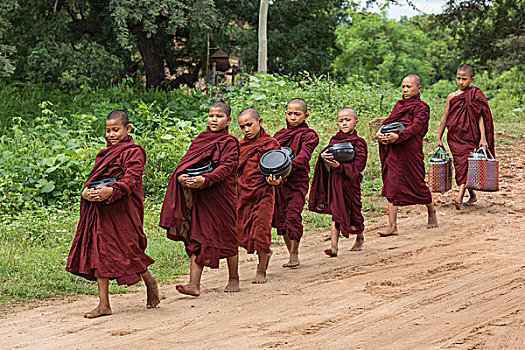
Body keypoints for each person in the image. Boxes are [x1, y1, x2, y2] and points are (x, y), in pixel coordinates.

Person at [66, 110, 160, 318]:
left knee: (129, 250)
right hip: (102, 208)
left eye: (116, 130)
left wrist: (113, 190)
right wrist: (87, 192)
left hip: (124, 209)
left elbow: (132, 178)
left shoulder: (134, 152)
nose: (111, 135)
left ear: (127, 129)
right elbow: (95, 178)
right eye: (108, 130)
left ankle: (150, 281)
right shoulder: (104, 154)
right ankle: (104, 304)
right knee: (100, 251)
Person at [159, 102, 240, 296]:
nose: (214, 119)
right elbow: (186, 163)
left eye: (219, 116)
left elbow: (227, 167)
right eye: (211, 116)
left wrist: (206, 179)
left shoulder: (230, 142)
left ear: (228, 121)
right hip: (200, 196)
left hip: (221, 196)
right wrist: (181, 177)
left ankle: (234, 277)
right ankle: (194, 284)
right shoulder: (200, 139)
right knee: (198, 237)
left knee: (228, 236)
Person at [376, 74, 438, 236]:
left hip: (410, 149)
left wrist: (399, 136)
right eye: (403, 86)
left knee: (418, 183)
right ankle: (392, 226)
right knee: (392, 184)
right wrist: (380, 133)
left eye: (408, 87)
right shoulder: (399, 105)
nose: (404, 90)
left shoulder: (422, 107)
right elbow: (389, 122)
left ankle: (431, 212)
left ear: (419, 89)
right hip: (395, 149)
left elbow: (416, 127)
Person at [309, 108, 368, 256]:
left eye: (348, 120)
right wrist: (324, 159)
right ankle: (334, 247)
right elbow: (327, 161)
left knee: (355, 212)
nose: (344, 123)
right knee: (336, 212)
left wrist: (341, 167)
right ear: (337, 124)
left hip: (351, 183)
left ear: (356, 122)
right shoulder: (334, 141)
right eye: (341, 121)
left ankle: (360, 237)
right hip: (336, 183)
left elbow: (360, 164)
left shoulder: (359, 142)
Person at [268, 98, 319, 267]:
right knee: (281, 217)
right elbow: (271, 156)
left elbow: (304, 156)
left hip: (297, 181)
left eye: (297, 114)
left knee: (293, 215)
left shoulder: (309, 135)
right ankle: (290, 251)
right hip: (280, 183)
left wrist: (288, 168)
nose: (292, 117)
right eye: (290, 113)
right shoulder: (279, 136)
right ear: (285, 114)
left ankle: (294, 253)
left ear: (306, 116)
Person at [436, 64, 495, 209]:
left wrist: (483, 138)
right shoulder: (452, 97)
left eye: (464, 79)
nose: (461, 82)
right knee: (460, 166)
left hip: (471, 136)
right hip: (455, 138)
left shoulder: (475, 95)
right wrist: (439, 138)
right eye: (458, 78)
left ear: (472, 79)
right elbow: (444, 118)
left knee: (467, 166)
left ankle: (459, 197)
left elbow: (481, 117)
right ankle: (473, 195)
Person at [236, 108, 280, 283]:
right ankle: (266, 254)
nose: (246, 129)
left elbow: (279, 168)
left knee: (262, 231)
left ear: (259, 122)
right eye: (242, 127)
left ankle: (261, 270)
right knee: (243, 229)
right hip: (243, 193)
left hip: (264, 193)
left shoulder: (271, 144)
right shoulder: (240, 146)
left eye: (249, 125)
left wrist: (277, 181)